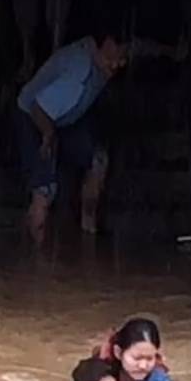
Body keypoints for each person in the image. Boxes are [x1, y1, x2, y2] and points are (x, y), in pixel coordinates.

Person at [17, 32, 128, 244]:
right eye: (119, 56)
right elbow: (39, 109)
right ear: (107, 44)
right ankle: (34, 252)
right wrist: (48, 136)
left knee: (98, 160)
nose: (120, 64)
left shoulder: (99, 63)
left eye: (124, 59)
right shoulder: (79, 73)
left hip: (64, 118)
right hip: (34, 117)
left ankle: (89, 230)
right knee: (44, 189)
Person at [99, 316, 172, 381]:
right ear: (118, 352)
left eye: (149, 358)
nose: (143, 366)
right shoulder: (97, 373)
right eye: (136, 358)